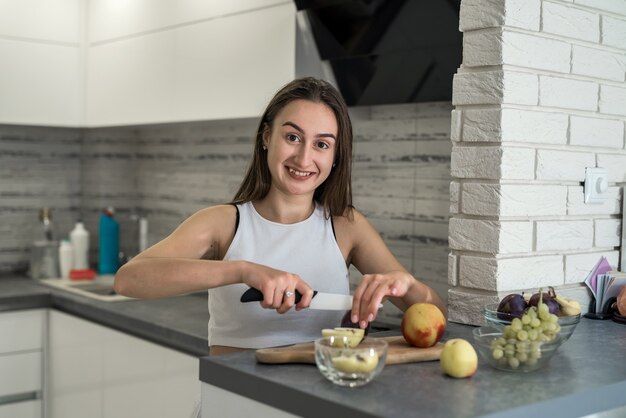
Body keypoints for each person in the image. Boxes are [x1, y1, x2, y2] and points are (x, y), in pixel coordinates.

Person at [113, 77, 446, 355]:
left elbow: (436, 315)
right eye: (293, 137)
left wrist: (407, 286)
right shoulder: (222, 223)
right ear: (266, 137)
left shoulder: (347, 226)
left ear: (335, 157)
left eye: (322, 145)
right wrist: (243, 270)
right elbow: (129, 279)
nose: (304, 158)